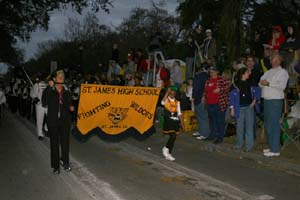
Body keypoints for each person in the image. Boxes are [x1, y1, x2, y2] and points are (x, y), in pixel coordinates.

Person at [42, 70, 74, 174]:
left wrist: (71, 107)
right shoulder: (50, 91)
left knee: (65, 143)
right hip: (53, 121)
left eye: (63, 77)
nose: (61, 78)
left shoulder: (67, 91)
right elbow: (44, 102)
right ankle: (56, 166)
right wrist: (48, 88)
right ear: (54, 79)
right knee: (54, 144)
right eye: (59, 77)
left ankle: (65, 162)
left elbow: (69, 103)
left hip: (65, 121)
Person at [259, 54, 289, 157]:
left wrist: (269, 84)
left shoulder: (283, 72)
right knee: (267, 124)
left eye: (276, 59)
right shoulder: (268, 72)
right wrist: (263, 83)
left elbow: (282, 86)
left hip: (275, 101)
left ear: (280, 61)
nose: (274, 61)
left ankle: (275, 150)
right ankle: (272, 147)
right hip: (266, 100)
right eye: (272, 59)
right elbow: (260, 82)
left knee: (274, 125)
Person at [229, 67, 260, 152]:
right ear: (243, 74)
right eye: (247, 72)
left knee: (249, 127)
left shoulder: (251, 83)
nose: (248, 74)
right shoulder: (235, 84)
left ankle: (249, 146)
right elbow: (231, 97)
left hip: (249, 107)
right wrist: (232, 109)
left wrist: (254, 100)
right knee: (239, 127)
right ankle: (239, 144)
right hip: (239, 108)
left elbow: (258, 91)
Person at [203, 66, 230, 144]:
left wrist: (220, 89)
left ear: (217, 72)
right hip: (209, 104)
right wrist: (204, 97)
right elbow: (205, 91)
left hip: (219, 104)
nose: (211, 72)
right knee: (212, 121)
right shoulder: (208, 81)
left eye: (213, 71)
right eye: (210, 71)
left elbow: (228, 87)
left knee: (220, 121)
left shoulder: (221, 80)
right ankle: (212, 135)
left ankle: (219, 138)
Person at [161, 86, 184, 161]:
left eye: (173, 93)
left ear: (175, 94)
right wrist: (167, 92)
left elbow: (179, 113)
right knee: (173, 136)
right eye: (171, 93)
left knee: (173, 137)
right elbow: (162, 102)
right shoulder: (166, 100)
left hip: (175, 122)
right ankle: (166, 149)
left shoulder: (177, 102)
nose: (172, 94)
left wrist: (182, 123)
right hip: (168, 121)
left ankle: (168, 152)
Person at [192, 65, 210, 139]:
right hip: (204, 98)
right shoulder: (207, 77)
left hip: (199, 98)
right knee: (200, 116)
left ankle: (204, 134)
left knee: (202, 116)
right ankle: (200, 131)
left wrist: (193, 97)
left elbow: (196, 88)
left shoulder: (198, 77)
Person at [30, 76, 48, 140]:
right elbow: (32, 94)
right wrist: (36, 99)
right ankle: (40, 134)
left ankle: (46, 128)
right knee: (40, 120)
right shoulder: (36, 85)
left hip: (47, 105)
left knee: (51, 117)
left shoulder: (48, 84)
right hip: (39, 105)